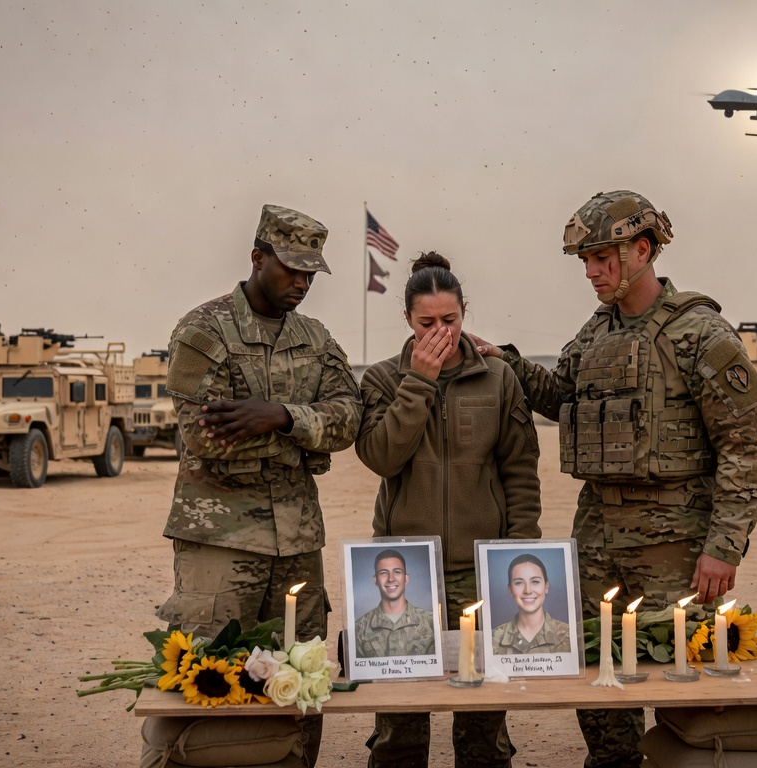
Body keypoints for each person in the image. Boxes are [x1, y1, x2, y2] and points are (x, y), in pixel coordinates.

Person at [472, 191, 757, 768]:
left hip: (673, 545)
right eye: (584, 261)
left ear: (643, 249)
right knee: (599, 674)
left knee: (683, 684)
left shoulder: (700, 334)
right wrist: (502, 359)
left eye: (603, 258)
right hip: (598, 538)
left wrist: (723, 546)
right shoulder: (594, 333)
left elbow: (747, 448)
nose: (592, 272)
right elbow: (560, 396)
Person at [154, 204, 362, 767]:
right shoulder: (203, 330)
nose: (301, 282)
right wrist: (304, 436)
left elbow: (349, 418)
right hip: (220, 542)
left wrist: (280, 417)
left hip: (297, 544)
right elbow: (205, 439)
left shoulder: (315, 337)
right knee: (204, 682)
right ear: (257, 257)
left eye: (311, 273)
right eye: (290, 268)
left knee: (299, 685)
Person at [356, 251, 541, 768]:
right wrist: (417, 382)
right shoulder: (382, 379)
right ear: (408, 320)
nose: (441, 331)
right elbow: (379, 456)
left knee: (483, 721)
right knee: (400, 723)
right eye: (427, 323)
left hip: (480, 573)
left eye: (451, 321)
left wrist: (519, 557)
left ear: (465, 312)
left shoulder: (499, 378)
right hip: (405, 575)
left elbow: (520, 473)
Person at [354, 548, 437, 658]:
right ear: (375, 580)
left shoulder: (431, 622)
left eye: (397, 572)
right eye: (383, 573)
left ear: (406, 578)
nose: (391, 579)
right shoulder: (359, 628)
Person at [490, 553, 571, 655]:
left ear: (546, 586)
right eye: (519, 582)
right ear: (510, 589)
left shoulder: (569, 636)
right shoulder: (493, 638)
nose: (527, 590)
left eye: (535, 582)